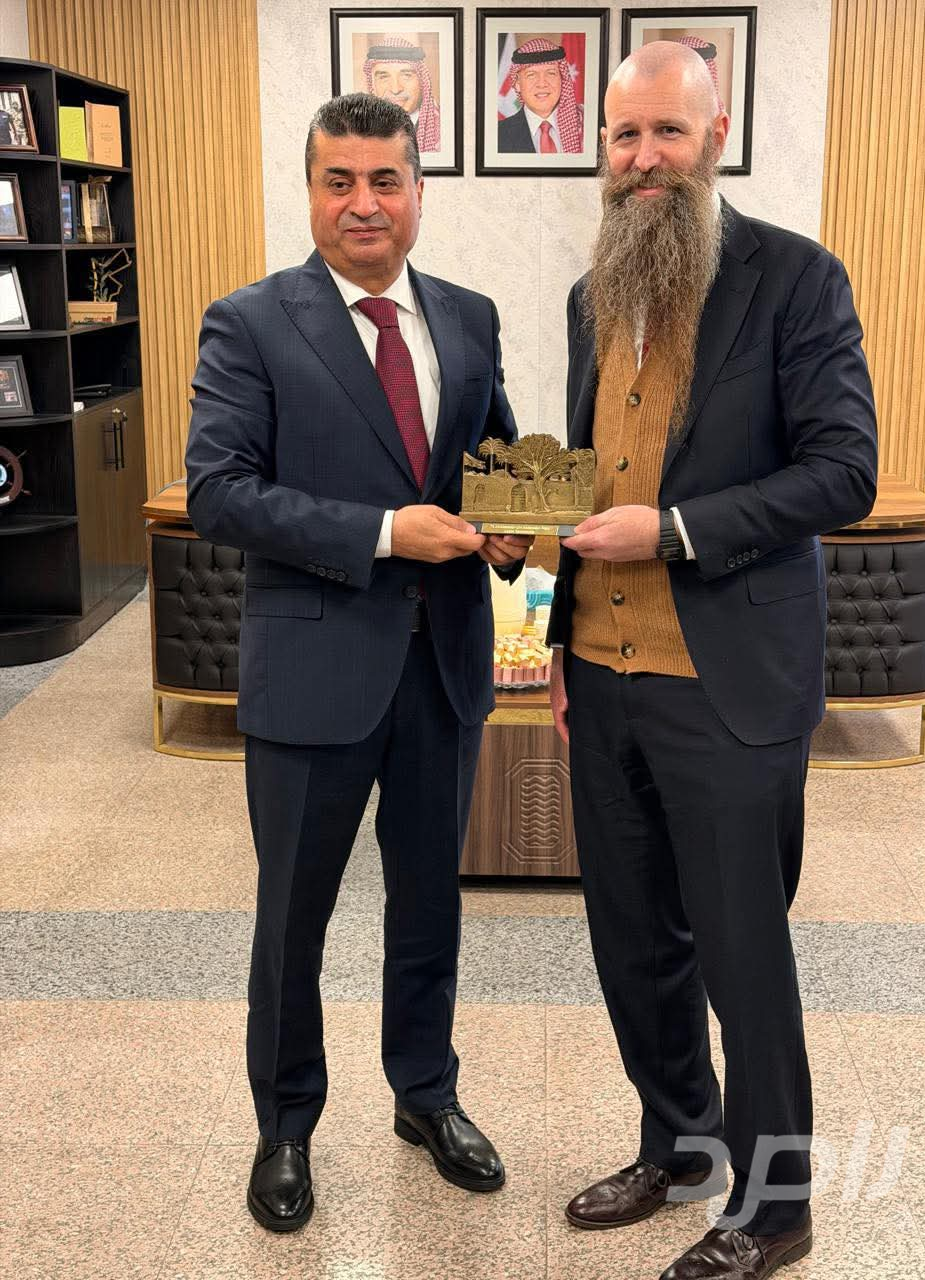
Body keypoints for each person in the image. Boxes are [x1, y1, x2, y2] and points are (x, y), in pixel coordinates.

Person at [547, 44, 878, 1280]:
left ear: (716, 136)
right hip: (601, 675)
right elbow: (590, 480)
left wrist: (676, 529)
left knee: (744, 957)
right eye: (624, 136)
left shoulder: (795, 279)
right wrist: (553, 612)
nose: (643, 160)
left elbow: (843, 470)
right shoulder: (589, 297)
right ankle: (679, 1143)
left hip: (729, 685)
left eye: (667, 134)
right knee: (633, 945)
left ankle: (777, 1205)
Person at [186, 93, 531, 1234]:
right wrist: (386, 532)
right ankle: (285, 1123)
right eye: (340, 181)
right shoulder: (250, 323)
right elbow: (220, 492)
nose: (364, 203)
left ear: (419, 191)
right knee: (294, 917)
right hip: (312, 672)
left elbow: (493, 454)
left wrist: (512, 523)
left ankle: (425, 1094)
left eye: (386, 180)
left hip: (444, 668)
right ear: (312, 192)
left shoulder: (469, 317)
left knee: (430, 902)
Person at [497, 38, 584, 155]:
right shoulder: (498, 135)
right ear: (517, 84)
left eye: (551, 73)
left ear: (562, 79)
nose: (542, 84)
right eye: (531, 75)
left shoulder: (584, 125)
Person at [364, 36, 441, 153]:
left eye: (406, 76)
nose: (395, 89)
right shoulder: (359, 130)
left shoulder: (443, 129)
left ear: (422, 82)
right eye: (384, 77)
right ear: (373, 86)